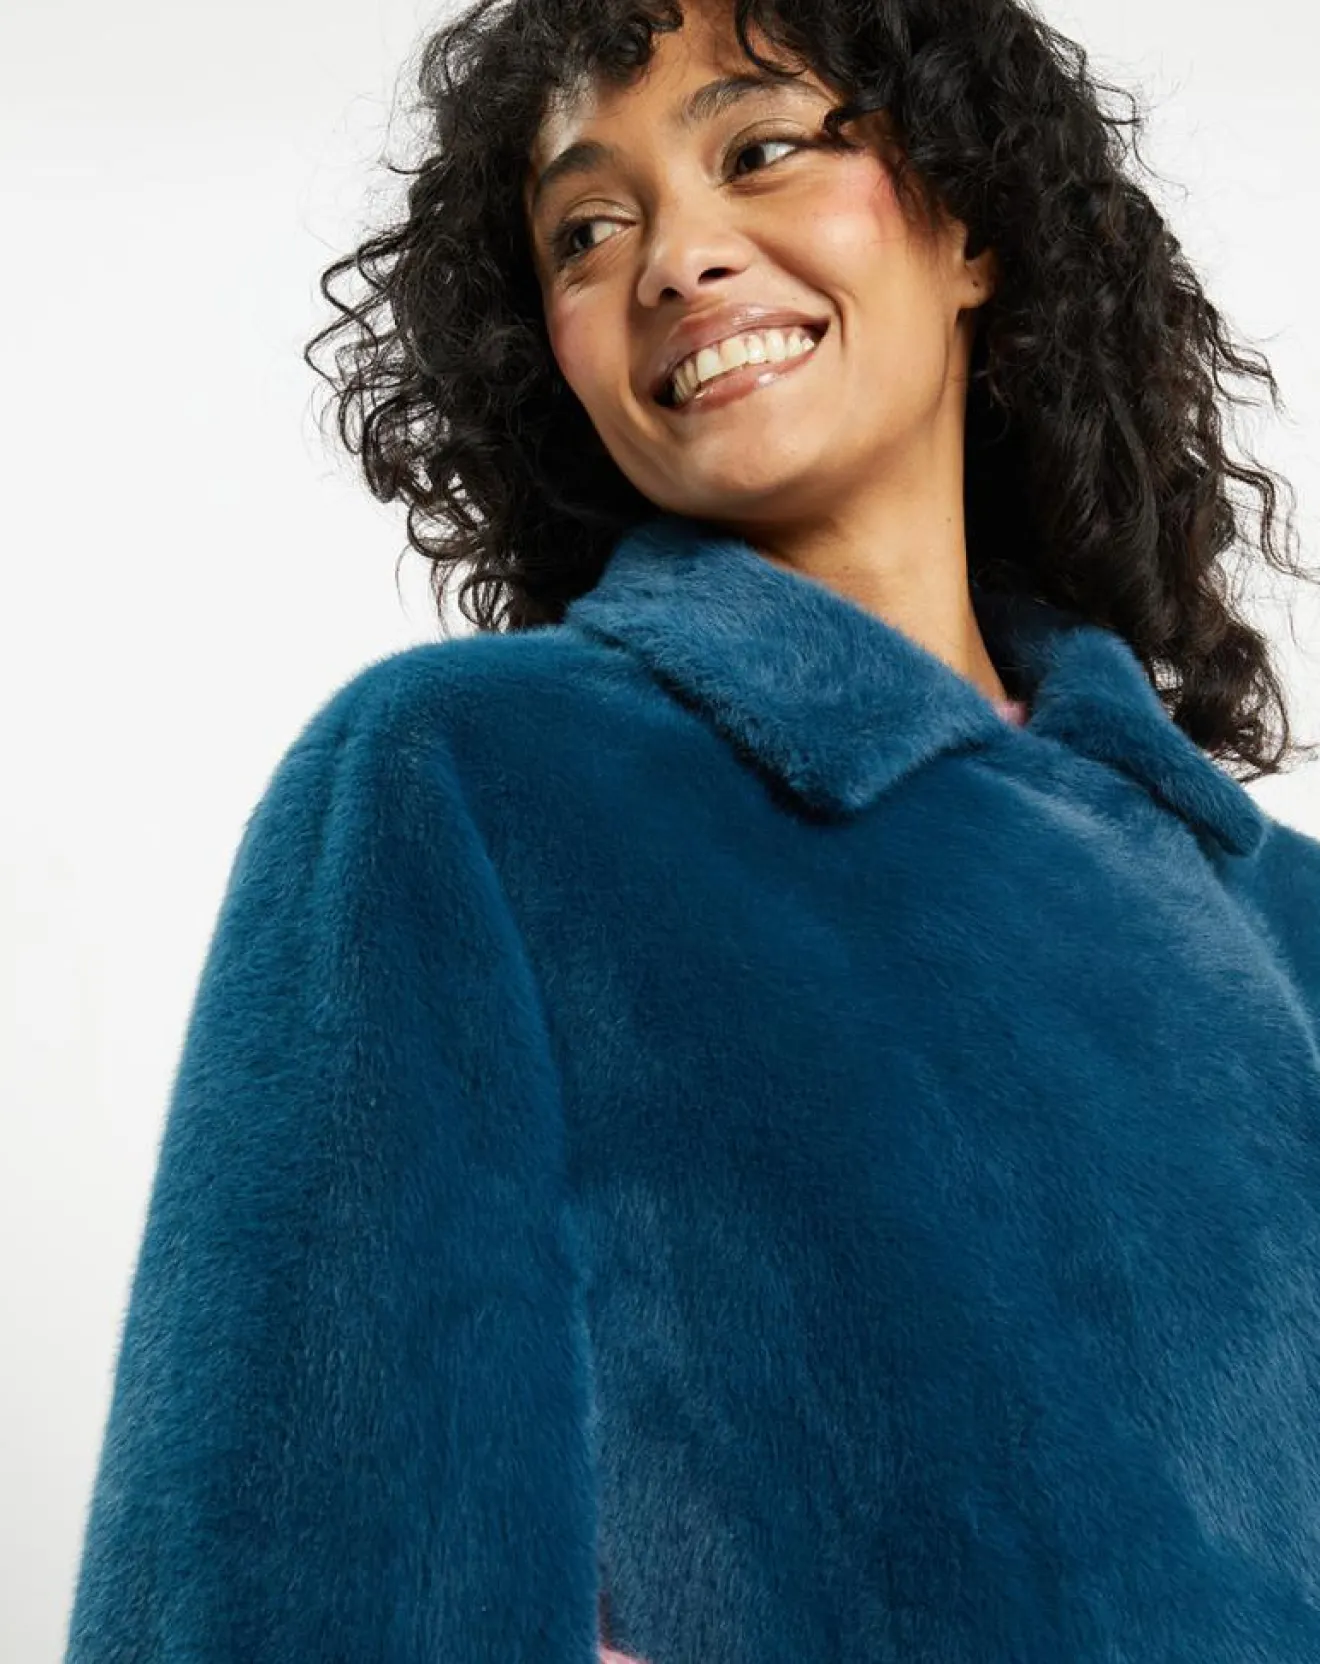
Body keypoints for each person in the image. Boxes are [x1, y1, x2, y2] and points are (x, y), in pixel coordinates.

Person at [64, 0, 1320, 1658]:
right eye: (588, 230)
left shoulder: (1280, 912)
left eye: (763, 147)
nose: (676, 257)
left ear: (972, 225)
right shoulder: (467, 783)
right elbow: (286, 1586)